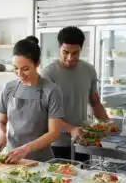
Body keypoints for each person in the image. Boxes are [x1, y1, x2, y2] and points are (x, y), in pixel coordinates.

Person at [41, 26, 111, 161]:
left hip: (82, 141)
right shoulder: (48, 74)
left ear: (81, 49)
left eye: (75, 53)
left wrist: (107, 123)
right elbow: (45, 113)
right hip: (55, 143)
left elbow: (95, 103)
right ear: (59, 48)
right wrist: (71, 129)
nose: (70, 57)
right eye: (65, 52)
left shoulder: (89, 70)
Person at [0, 36, 65, 163]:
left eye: (25, 69)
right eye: (15, 68)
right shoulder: (9, 88)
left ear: (37, 63)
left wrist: (26, 149)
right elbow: (1, 121)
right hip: (11, 159)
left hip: (40, 161)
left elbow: (54, 133)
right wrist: (1, 134)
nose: (19, 74)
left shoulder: (51, 91)